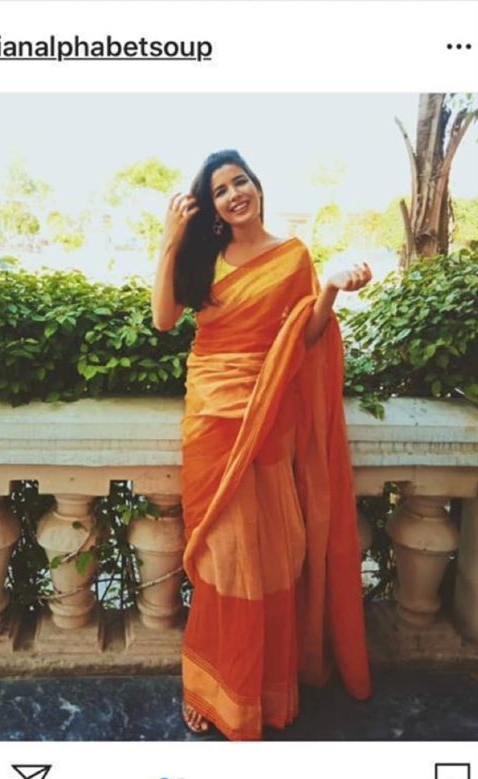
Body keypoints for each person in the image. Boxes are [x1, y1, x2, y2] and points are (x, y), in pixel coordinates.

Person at [152, 149, 372, 740]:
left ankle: (266, 683)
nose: (234, 195)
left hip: (271, 411)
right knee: (223, 557)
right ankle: (214, 685)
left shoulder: (292, 256)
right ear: (212, 207)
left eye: (240, 182)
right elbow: (165, 320)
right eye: (220, 191)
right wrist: (170, 239)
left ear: (256, 185)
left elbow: (307, 335)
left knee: (273, 553)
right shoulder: (203, 256)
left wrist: (328, 289)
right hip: (212, 416)